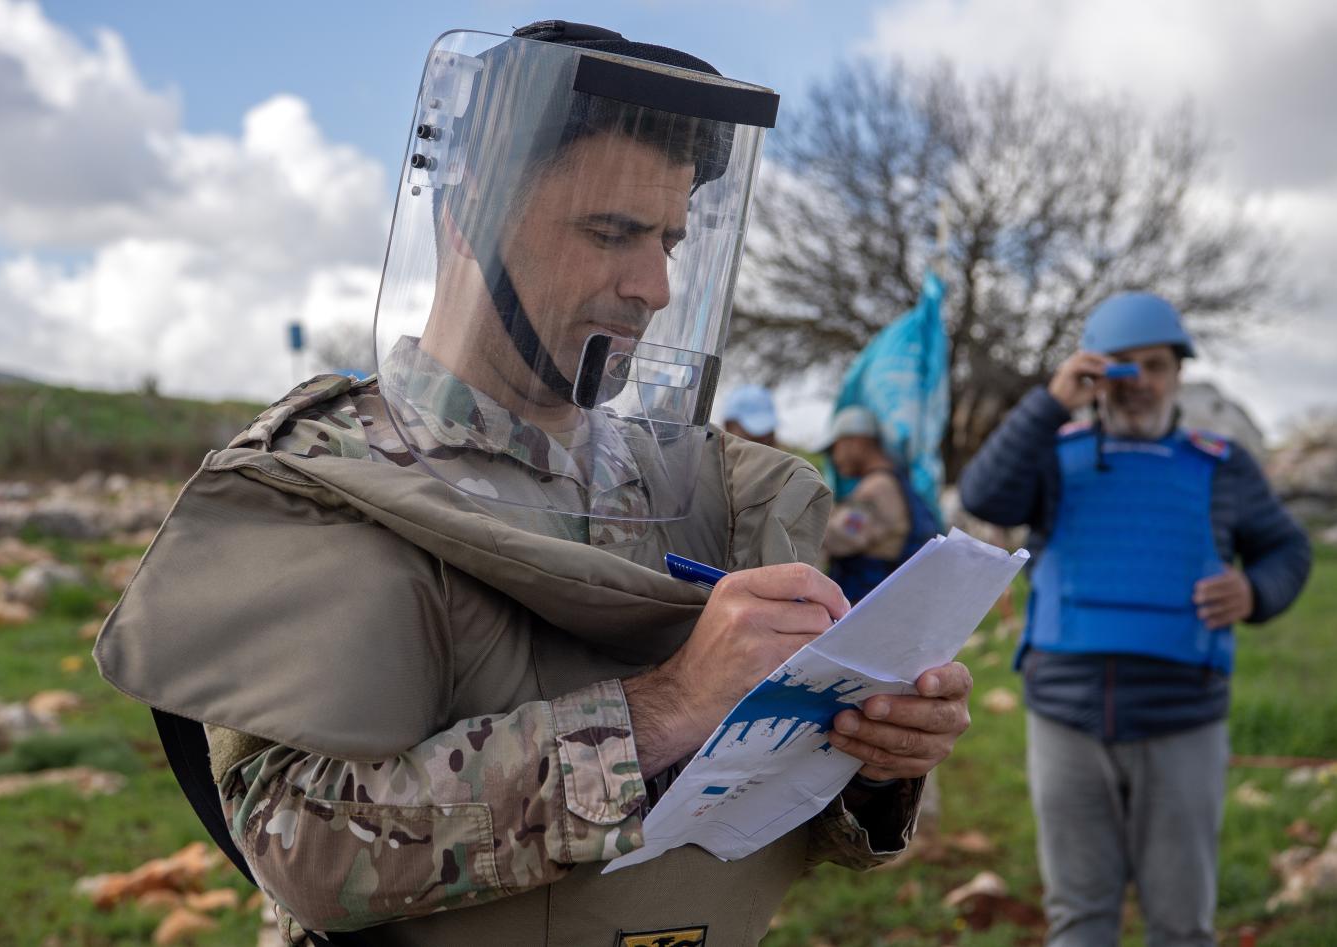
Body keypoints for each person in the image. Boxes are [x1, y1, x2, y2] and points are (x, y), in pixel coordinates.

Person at [95, 21, 974, 947]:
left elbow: (777, 818)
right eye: (611, 231)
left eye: (670, 242)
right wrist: (665, 708)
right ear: (467, 220)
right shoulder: (326, 480)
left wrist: (879, 757)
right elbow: (308, 851)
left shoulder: (714, 486)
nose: (653, 285)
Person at [959, 292, 1311, 947]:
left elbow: (1288, 548)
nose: (1140, 383)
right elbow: (984, 495)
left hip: (1184, 717)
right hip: (1066, 715)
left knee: (1181, 924)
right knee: (1079, 919)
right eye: (1122, 366)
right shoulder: (1054, 455)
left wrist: (1255, 589)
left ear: (1179, 373)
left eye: (1156, 366)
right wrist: (1050, 401)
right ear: (1095, 372)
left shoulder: (1223, 464)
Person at [822, 406, 940, 603]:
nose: (835, 458)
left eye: (835, 448)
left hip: (870, 609)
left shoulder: (877, 489)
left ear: (857, 442)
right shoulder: (894, 481)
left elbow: (838, 538)